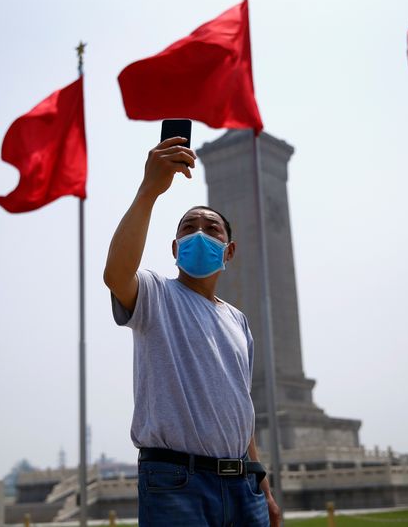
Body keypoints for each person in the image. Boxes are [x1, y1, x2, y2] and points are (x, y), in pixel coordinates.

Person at [104, 137, 281, 526]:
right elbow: (116, 273)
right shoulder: (155, 294)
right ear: (175, 247)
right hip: (176, 483)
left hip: (242, 486)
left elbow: (241, 409)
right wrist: (150, 189)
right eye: (189, 227)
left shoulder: (238, 321)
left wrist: (262, 486)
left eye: (211, 228)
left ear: (229, 251)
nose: (200, 233)